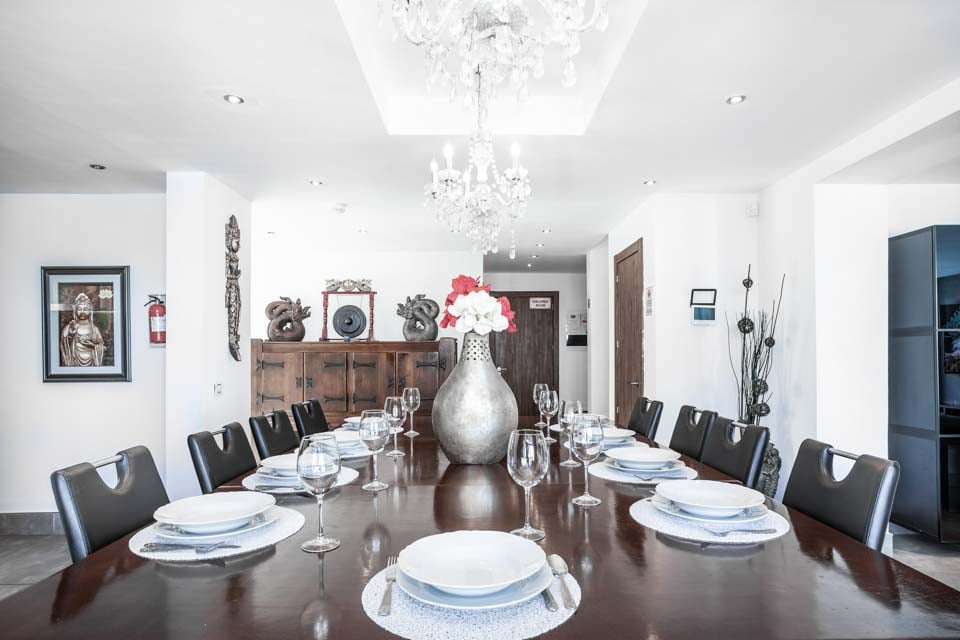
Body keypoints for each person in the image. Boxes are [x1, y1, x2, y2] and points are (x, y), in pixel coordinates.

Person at [60, 292, 104, 366]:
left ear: (90, 311)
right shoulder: (69, 327)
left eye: (85, 309)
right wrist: (71, 335)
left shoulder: (94, 329)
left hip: (92, 364)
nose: (82, 311)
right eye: (79, 309)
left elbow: (103, 347)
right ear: (75, 311)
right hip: (74, 362)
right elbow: (64, 345)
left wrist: (93, 346)